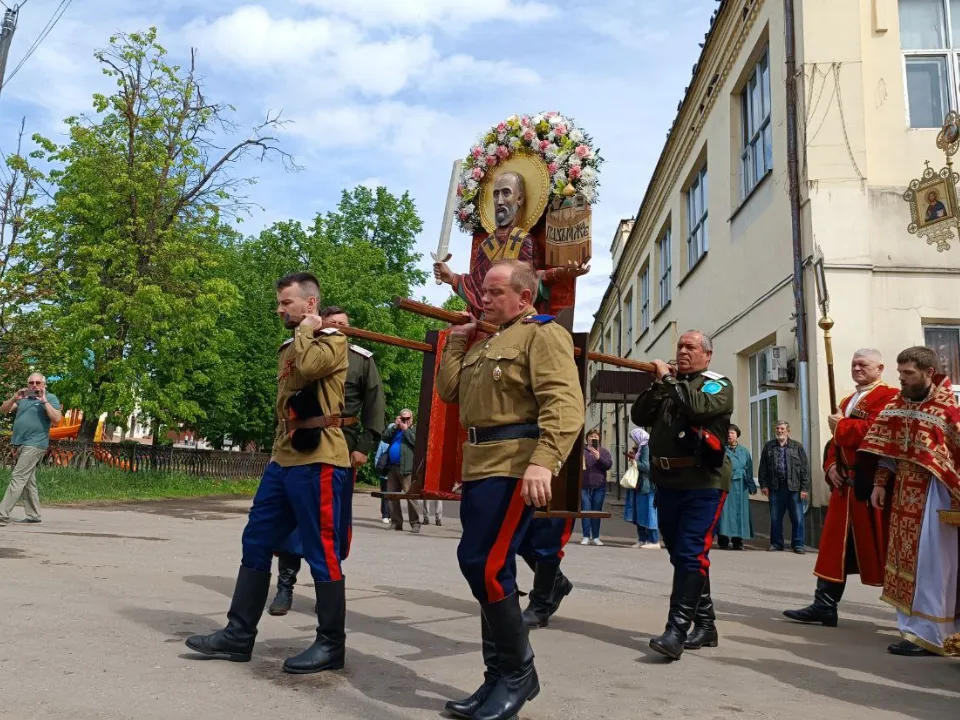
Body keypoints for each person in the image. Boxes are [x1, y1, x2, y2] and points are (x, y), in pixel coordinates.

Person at [185, 272, 353, 675]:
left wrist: (310, 332)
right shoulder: (293, 342)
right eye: (279, 303)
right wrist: (302, 334)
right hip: (283, 458)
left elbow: (311, 369)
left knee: (321, 551)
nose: (279, 309)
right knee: (256, 539)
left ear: (310, 304)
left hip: (321, 458)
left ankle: (331, 645)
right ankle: (238, 635)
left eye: (286, 303)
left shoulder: (333, 339)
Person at [436, 259, 583, 720]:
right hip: (480, 466)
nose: (485, 297)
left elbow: (565, 402)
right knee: (482, 567)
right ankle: (497, 675)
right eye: (484, 291)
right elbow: (450, 391)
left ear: (524, 297)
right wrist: (458, 343)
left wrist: (545, 461)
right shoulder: (487, 342)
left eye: (496, 292)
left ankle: (519, 674)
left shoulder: (541, 333)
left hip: (515, 465)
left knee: (487, 563)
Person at [268, 305, 386, 616]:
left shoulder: (361, 359)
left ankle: (327, 586)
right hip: (298, 441)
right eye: (332, 324)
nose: (338, 329)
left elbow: (375, 404)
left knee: (330, 521)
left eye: (343, 325)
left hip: (340, 446)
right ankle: (285, 584)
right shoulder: (302, 350)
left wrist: (363, 446)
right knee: (291, 517)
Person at [631, 330, 733, 660]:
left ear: (707, 355)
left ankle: (676, 631)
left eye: (691, 347)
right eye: (680, 346)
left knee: (691, 553)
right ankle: (706, 624)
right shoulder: (669, 386)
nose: (683, 351)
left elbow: (697, 409)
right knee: (681, 555)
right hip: (669, 481)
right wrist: (658, 383)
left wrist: (671, 382)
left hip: (704, 480)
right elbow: (639, 416)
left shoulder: (717, 384)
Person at [783, 350, 898, 627]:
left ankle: (910, 618)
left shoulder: (889, 397)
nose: (857, 368)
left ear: (880, 368)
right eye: (854, 364)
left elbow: (877, 432)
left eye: (864, 364)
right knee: (833, 549)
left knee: (885, 550)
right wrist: (831, 465)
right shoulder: (848, 400)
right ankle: (824, 605)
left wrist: (842, 425)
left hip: (871, 486)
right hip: (843, 488)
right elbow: (835, 442)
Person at [860, 346, 960, 657]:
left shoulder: (947, 412)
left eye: (909, 373)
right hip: (904, 492)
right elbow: (887, 449)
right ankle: (912, 629)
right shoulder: (896, 405)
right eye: (900, 372)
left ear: (929, 373)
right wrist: (879, 484)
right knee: (906, 561)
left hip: (937, 495)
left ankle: (933, 633)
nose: (901, 379)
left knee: (934, 563)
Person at [433, 172, 586, 318]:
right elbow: (476, 287)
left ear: (519, 198)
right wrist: (452, 278)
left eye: (506, 193)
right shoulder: (486, 245)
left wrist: (559, 273)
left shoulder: (523, 240)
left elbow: (528, 282)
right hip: (486, 322)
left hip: (515, 322)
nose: (499, 201)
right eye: (496, 194)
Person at [0, 373, 63, 526]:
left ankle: (2, 514)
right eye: (31, 382)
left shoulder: (51, 398)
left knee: (18, 477)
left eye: (38, 382)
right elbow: (3, 410)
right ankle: (34, 515)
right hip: (19, 443)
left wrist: (44, 401)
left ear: (44, 384)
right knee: (28, 480)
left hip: (35, 444)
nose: (34, 385)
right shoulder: (23, 398)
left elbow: (57, 419)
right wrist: (14, 398)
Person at [758, 421, 810, 553]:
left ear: (788, 431)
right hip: (775, 488)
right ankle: (776, 543)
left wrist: (804, 488)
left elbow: (804, 469)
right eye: (777, 428)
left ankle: (798, 544)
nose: (779, 431)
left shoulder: (796, 447)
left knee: (797, 517)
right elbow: (763, 468)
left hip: (794, 488)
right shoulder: (769, 446)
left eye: (782, 428)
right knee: (775, 517)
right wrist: (763, 485)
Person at [517, 516, 575, 629]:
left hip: (558, 500)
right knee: (520, 539)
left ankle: (540, 607)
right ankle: (557, 581)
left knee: (548, 542)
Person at [716, 425, 755, 550]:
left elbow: (749, 469)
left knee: (740, 513)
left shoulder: (744, 451)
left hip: (741, 486)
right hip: (726, 484)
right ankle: (723, 540)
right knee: (725, 513)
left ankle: (738, 541)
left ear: (737, 435)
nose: (730, 435)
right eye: (728, 433)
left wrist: (752, 486)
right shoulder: (721, 450)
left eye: (732, 433)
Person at [383, 410, 421, 533]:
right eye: (402, 418)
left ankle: (415, 523)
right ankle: (396, 522)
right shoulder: (395, 430)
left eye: (407, 418)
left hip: (407, 468)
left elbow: (417, 443)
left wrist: (406, 429)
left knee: (410, 496)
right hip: (393, 467)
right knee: (391, 495)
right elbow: (385, 438)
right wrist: (395, 426)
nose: (404, 420)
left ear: (412, 418)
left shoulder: (414, 430)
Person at [624, 427, 659, 549]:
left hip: (647, 485)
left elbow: (647, 466)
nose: (634, 441)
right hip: (640, 485)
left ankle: (653, 541)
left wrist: (635, 462)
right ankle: (642, 539)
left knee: (649, 513)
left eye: (634, 438)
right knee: (639, 513)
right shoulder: (641, 447)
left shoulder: (646, 447)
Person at [580, 429, 612, 545]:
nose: (593, 438)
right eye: (591, 436)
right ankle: (585, 536)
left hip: (599, 486)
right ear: (587, 438)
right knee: (585, 511)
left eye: (596, 436)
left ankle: (596, 536)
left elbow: (608, 465)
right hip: (584, 485)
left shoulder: (603, 452)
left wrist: (598, 457)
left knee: (596, 511)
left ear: (599, 439)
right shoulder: (582, 451)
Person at [374, 439, 391, 523]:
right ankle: (386, 514)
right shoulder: (395, 441)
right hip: (389, 473)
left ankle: (386, 514)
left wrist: (378, 471)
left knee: (385, 494)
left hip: (384, 473)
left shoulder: (382, 442)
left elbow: (377, 457)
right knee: (388, 494)